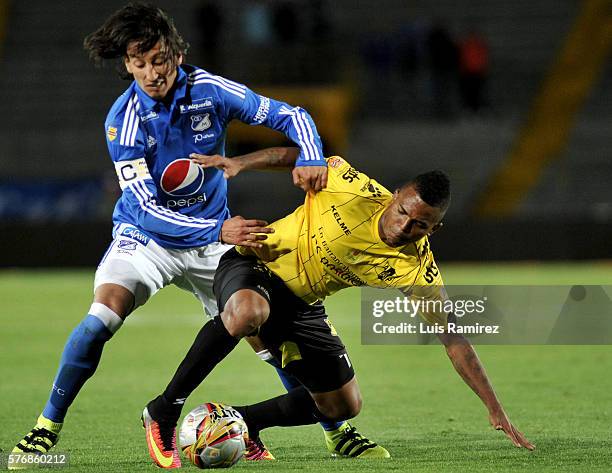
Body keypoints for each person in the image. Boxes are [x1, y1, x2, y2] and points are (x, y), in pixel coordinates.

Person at [10, 3, 377, 468]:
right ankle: (46, 427)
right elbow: (146, 208)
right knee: (103, 317)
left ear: (176, 54)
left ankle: (335, 430)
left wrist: (311, 155)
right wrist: (218, 227)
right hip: (147, 238)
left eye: (158, 59)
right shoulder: (123, 121)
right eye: (138, 63)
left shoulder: (210, 90)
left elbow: (293, 115)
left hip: (211, 241)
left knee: (267, 330)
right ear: (126, 64)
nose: (151, 73)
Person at [145, 147, 535, 465]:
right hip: (254, 264)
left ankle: (244, 423)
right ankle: (163, 409)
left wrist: (494, 408)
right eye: (403, 212)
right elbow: (298, 156)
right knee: (249, 313)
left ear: (435, 229)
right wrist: (241, 163)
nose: (404, 227)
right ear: (395, 195)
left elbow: (453, 339)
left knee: (342, 405)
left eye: (421, 225)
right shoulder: (350, 187)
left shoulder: (415, 268)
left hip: (303, 306)